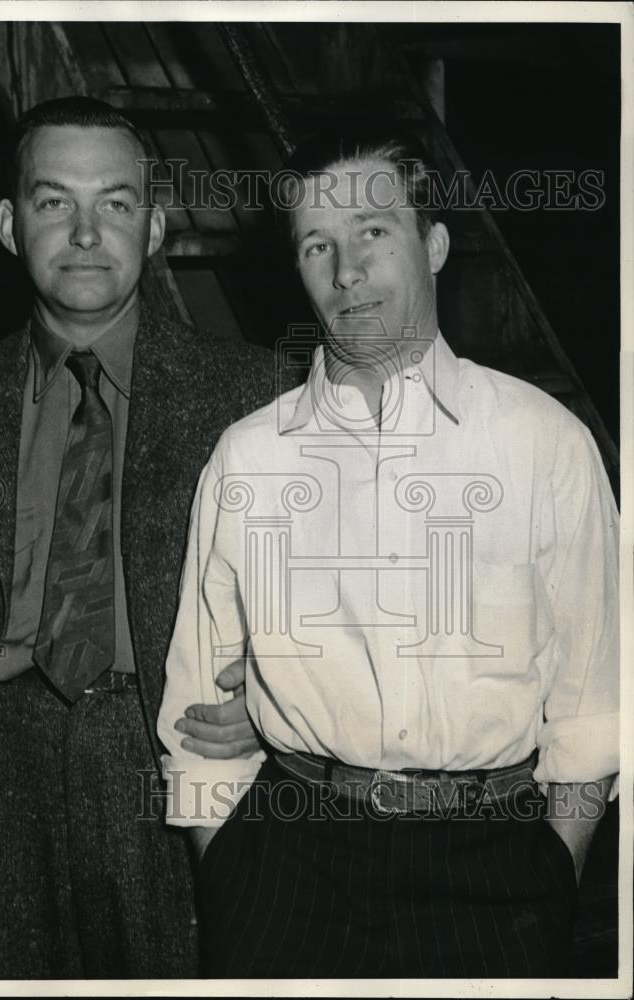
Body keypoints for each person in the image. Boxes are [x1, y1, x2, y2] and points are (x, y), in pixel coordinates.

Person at [158, 130, 620, 978]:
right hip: (288, 868)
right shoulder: (250, 457)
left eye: (373, 231)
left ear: (434, 245)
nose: (347, 271)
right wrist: (225, 872)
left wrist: (557, 869)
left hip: (498, 873)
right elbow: (195, 708)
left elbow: (596, 700)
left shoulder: (543, 441)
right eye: (317, 245)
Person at [0, 96, 273, 979]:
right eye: (55, 201)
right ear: (9, 225)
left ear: (155, 226)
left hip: (175, 768)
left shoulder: (250, 398)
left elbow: (323, 606)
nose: (87, 233)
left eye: (116, 203)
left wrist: (279, 703)